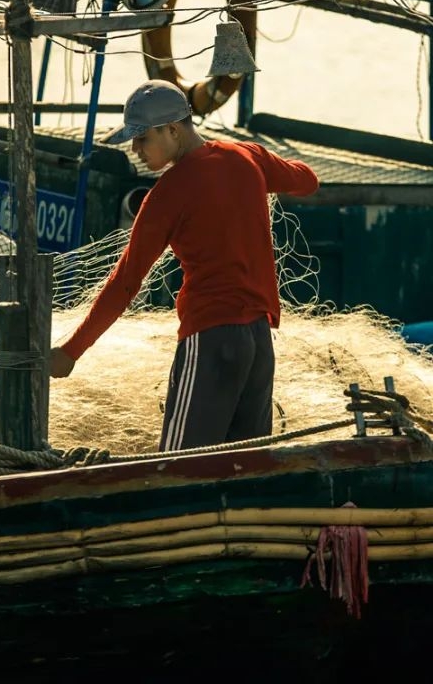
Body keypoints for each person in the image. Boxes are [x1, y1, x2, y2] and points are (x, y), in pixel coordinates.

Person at [50, 79, 320, 452]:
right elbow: (307, 180)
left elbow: (125, 284)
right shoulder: (247, 156)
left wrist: (71, 352)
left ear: (173, 130)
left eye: (142, 138)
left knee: (178, 467)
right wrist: (252, 179)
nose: (135, 150)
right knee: (247, 471)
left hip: (211, 341)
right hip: (258, 343)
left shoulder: (167, 195)